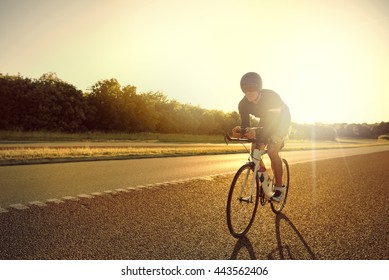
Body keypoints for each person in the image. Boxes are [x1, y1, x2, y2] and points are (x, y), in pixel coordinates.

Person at [233, 72, 291, 202]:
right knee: (254, 152)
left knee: (271, 151)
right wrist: (241, 131)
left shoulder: (271, 97)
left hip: (281, 120)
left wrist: (257, 132)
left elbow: (272, 122)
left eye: (252, 88)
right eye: (245, 88)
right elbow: (246, 125)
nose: (248, 92)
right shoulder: (243, 104)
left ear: (259, 87)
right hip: (266, 121)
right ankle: (265, 180)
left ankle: (279, 188)